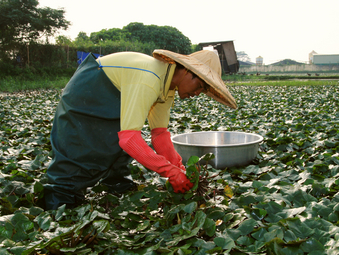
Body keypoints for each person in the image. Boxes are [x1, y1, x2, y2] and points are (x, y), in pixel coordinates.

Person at [44, 49, 237, 210]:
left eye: (202, 91)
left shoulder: (168, 84)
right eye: (200, 86)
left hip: (112, 96)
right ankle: (58, 201)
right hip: (89, 88)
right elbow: (129, 139)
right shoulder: (150, 78)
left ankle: (117, 187)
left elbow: (160, 134)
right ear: (188, 72)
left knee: (116, 141)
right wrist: (169, 172)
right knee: (83, 147)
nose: (197, 93)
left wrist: (178, 168)